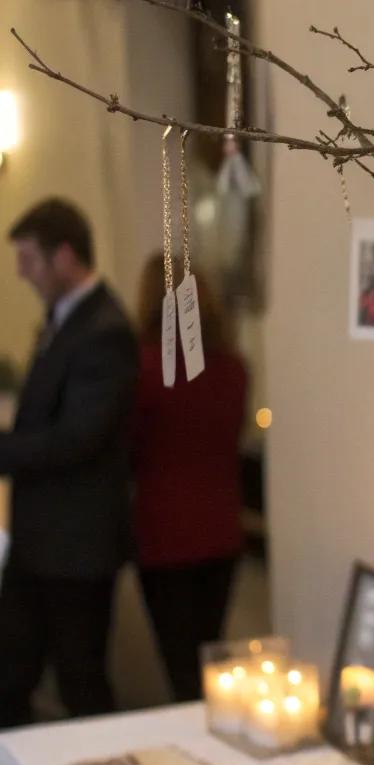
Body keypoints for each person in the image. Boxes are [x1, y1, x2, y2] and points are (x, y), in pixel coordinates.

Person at [0, 199, 138, 725]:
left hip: (76, 547)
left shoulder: (104, 329)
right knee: (11, 673)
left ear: (64, 256)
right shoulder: (63, 321)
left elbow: (77, 439)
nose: (20, 272)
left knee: (81, 680)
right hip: (40, 543)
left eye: (29, 259)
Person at [133, 253, 248, 701]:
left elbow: (131, 445)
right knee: (209, 659)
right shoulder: (232, 370)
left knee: (180, 666)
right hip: (222, 532)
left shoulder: (145, 369)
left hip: (164, 536)